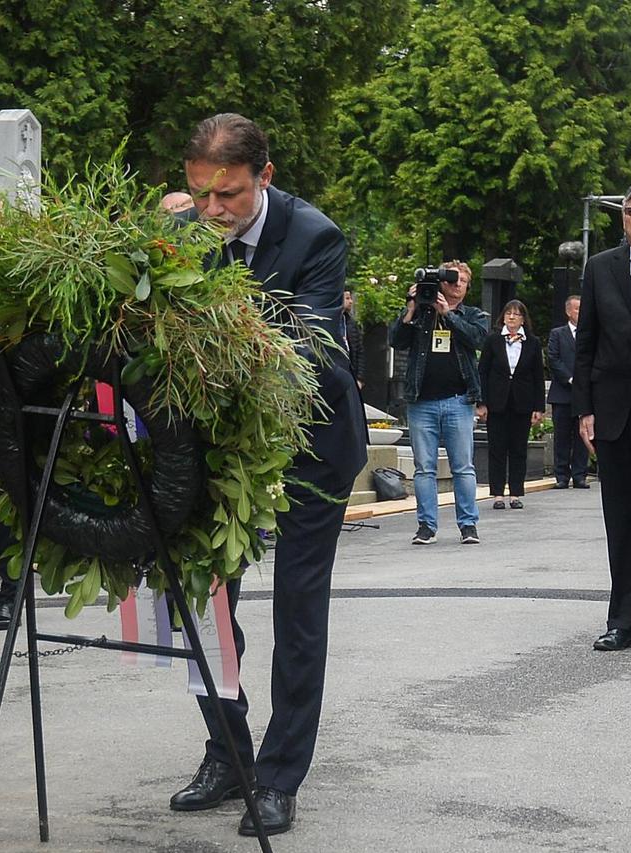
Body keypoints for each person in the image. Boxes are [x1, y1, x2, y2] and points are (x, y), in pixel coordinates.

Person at [170, 113, 367, 837]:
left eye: (229, 195)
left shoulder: (314, 237)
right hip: (221, 449)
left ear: (265, 177)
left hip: (310, 446)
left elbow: (306, 355)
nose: (213, 210)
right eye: (199, 194)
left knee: (297, 610)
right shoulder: (185, 227)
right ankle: (227, 751)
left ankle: (280, 776)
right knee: (202, 602)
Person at [573, 179, 631, 657]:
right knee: (621, 521)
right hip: (610, 413)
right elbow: (584, 343)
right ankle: (622, 622)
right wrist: (584, 408)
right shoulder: (600, 268)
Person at [390, 261, 489, 545]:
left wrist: (448, 314)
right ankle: (426, 526)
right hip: (421, 402)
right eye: (452, 280)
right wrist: (410, 309)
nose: (456, 284)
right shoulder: (420, 311)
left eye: (462, 281)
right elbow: (397, 341)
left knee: (463, 467)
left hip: (458, 401)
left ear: (468, 287)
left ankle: (468, 525)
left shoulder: (474, 315)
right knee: (424, 468)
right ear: (440, 283)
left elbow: (477, 339)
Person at [477, 300, 545, 509]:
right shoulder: (493, 340)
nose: (512, 317)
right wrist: (482, 403)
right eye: (509, 313)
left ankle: (516, 492)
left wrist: (538, 407)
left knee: (518, 449)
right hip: (497, 402)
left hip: (522, 402)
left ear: (523, 318)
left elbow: (537, 376)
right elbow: (483, 372)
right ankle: (497, 493)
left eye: (516, 314)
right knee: (497, 448)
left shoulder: (532, 343)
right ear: (503, 317)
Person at [545, 295, 589, 489]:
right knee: (562, 436)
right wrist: (570, 378)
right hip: (563, 392)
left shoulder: (590, 333)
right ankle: (561, 475)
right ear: (568, 311)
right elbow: (553, 359)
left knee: (583, 435)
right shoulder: (557, 334)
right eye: (578, 309)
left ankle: (580, 475)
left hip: (584, 393)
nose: (581, 312)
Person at [343, 289, 365, 389]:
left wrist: (359, 378)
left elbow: (359, 351)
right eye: (347, 298)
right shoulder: (332, 322)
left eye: (351, 298)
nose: (351, 302)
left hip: (351, 372)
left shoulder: (352, 323)